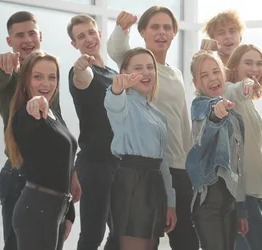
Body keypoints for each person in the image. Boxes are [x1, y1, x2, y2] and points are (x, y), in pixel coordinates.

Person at [108, 7, 196, 250]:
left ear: (174, 33)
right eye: (154, 27)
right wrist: (121, 29)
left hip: (175, 169)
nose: (161, 32)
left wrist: (190, 162)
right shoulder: (136, 64)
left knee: (184, 241)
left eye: (167, 27)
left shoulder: (176, 74)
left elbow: (183, 120)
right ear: (142, 32)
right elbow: (116, 50)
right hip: (140, 171)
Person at [0, 11, 71, 250]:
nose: (27, 39)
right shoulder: (8, 75)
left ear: (40, 36)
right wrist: (1, 65)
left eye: (31, 33)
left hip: (53, 188)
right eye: (20, 35)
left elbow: (59, 135)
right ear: (10, 42)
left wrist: (72, 175)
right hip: (21, 178)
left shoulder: (48, 83)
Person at [104, 47, 176, 250]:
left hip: (154, 183)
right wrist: (117, 88)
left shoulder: (158, 114)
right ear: (125, 72)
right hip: (131, 182)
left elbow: (164, 163)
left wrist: (171, 201)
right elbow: (113, 103)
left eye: (150, 67)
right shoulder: (122, 102)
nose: (146, 72)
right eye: (138, 68)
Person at [186, 50, 248, 250]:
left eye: (216, 72)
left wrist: (241, 208)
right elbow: (202, 135)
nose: (212, 78)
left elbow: (238, 165)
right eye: (204, 75)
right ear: (196, 84)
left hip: (229, 200)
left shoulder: (233, 113)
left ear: (223, 74)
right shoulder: (201, 106)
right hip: (208, 201)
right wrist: (216, 116)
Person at [66, 14, 119, 250]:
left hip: (118, 163)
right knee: (92, 236)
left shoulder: (111, 73)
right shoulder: (80, 72)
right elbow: (82, 79)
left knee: (121, 233)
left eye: (90, 32)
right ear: (74, 44)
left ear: (99, 34)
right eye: (80, 36)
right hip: (95, 165)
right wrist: (80, 68)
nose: (88, 38)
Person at [223, 44, 262, 250]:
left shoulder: (250, 103)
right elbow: (236, 90)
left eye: (259, 63)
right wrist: (244, 84)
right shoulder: (228, 91)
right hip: (240, 194)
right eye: (248, 63)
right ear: (234, 66)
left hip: (254, 192)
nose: (255, 68)